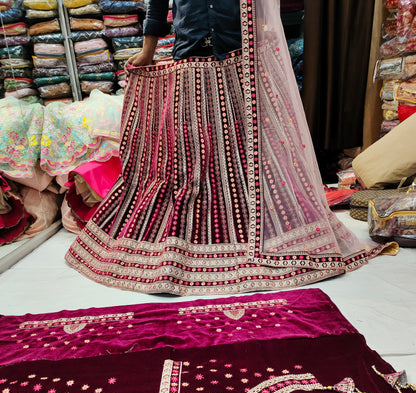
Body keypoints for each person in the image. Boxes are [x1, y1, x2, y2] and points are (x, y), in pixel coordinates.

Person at [66, 0, 392, 295]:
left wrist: (264, 41)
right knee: (193, 156)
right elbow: (157, 2)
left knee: (245, 152)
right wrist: (149, 49)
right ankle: (198, 237)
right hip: (191, 56)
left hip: (240, 59)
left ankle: (253, 232)